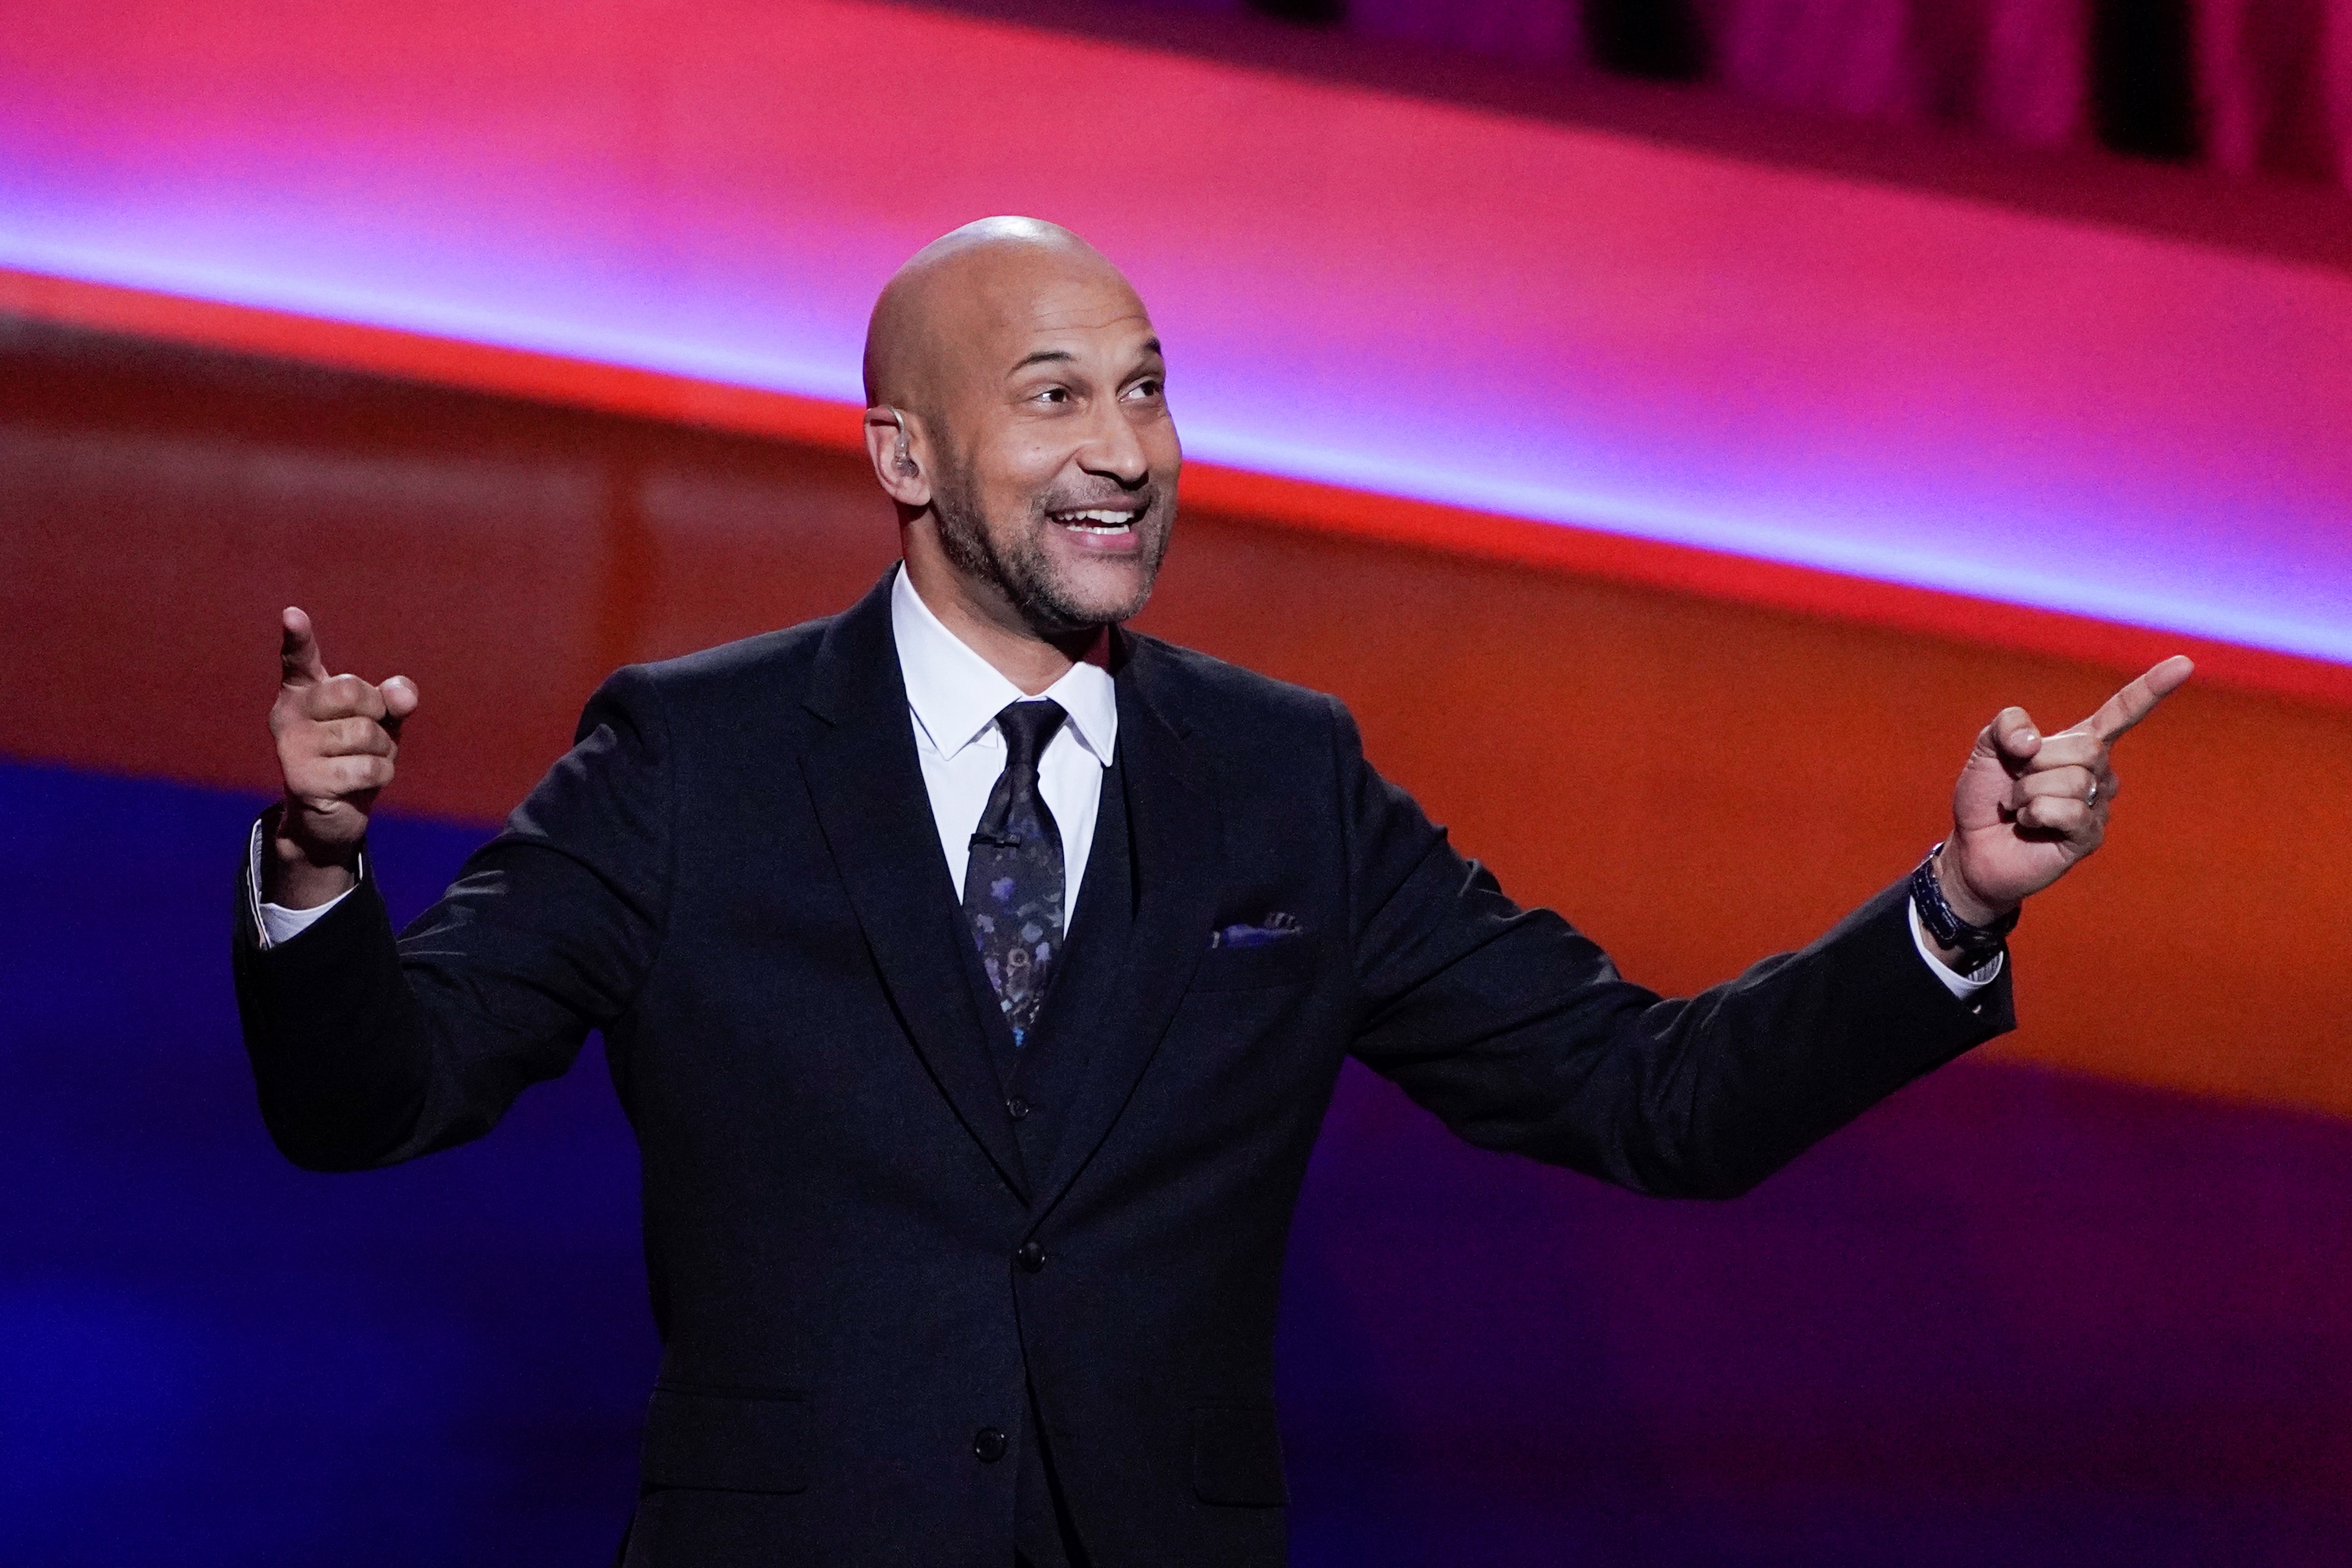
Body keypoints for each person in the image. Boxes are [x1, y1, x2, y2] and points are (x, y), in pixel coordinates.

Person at [235, 217, 2191, 1567]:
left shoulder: (1283, 780)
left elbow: (1644, 1097)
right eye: (1059, 397)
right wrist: (321, 878)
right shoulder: (691, 758)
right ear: (905, 454)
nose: (1127, 455)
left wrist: (1953, 903)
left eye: (1150, 394)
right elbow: (376, 1101)